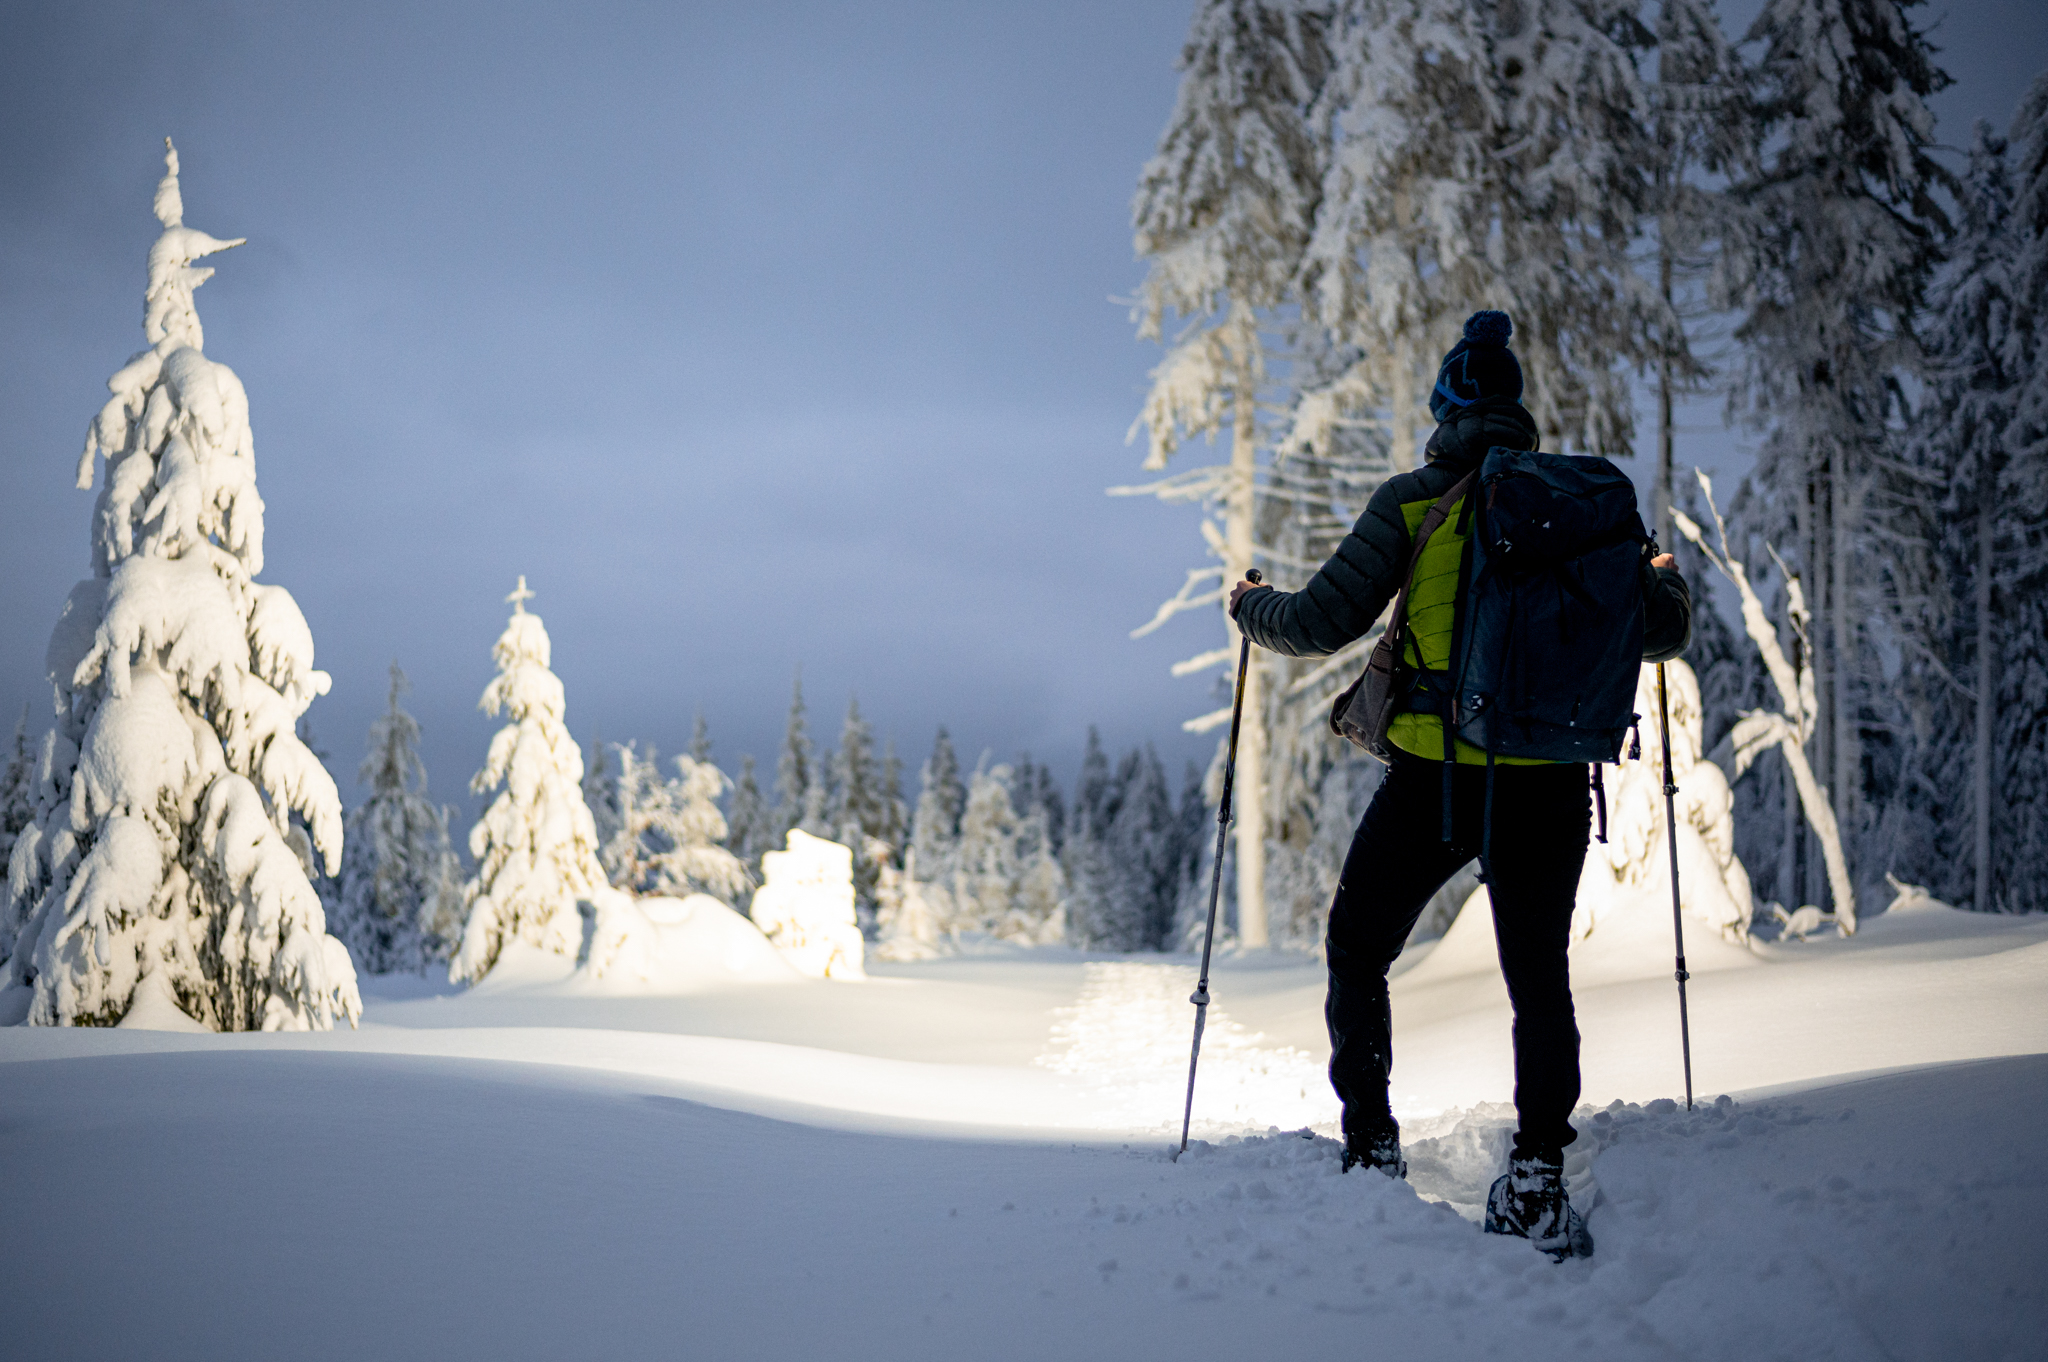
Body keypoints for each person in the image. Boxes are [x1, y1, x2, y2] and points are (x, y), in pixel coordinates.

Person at [1229, 310, 1691, 1259]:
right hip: (1550, 787)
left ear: (1444, 408)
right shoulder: (1583, 507)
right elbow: (1661, 632)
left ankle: (1371, 1145)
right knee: (1539, 979)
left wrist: (1248, 606)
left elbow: (1320, 621)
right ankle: (1535, 1170)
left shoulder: (1412, 499)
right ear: (1517, 413)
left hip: (1435, 781)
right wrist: (1660, 574)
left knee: (1358, 947)